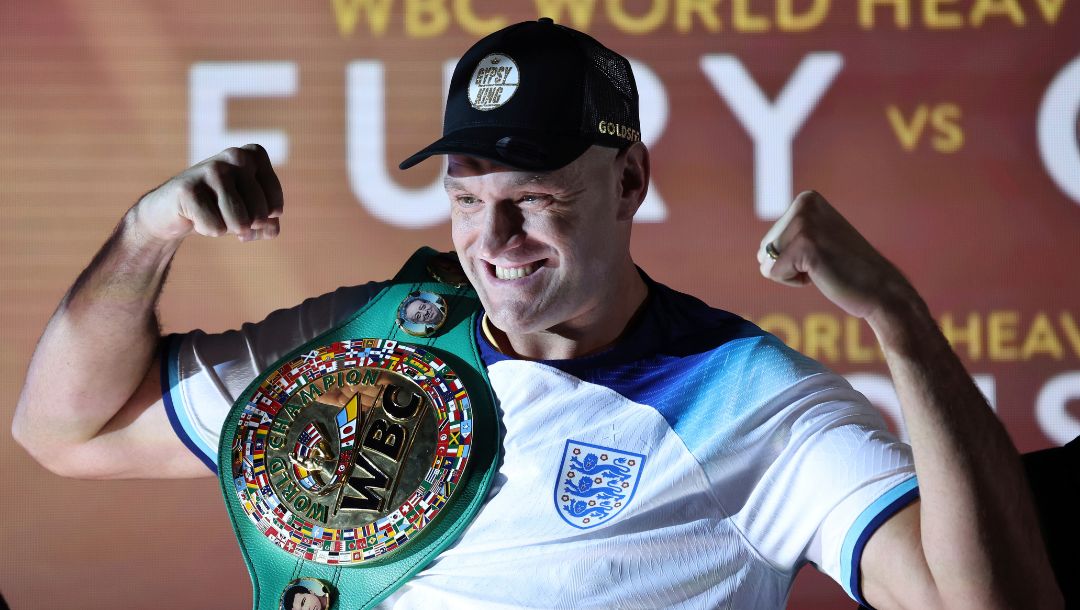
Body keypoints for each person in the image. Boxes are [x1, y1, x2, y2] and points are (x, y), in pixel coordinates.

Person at [12, 18, 1062, 610]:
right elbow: (66, 430)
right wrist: (149, 230)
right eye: (466, 197)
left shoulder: (751, 404)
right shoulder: (383, 329)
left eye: (534, 199)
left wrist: (896, 316)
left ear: (628, 181)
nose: (493, 238)